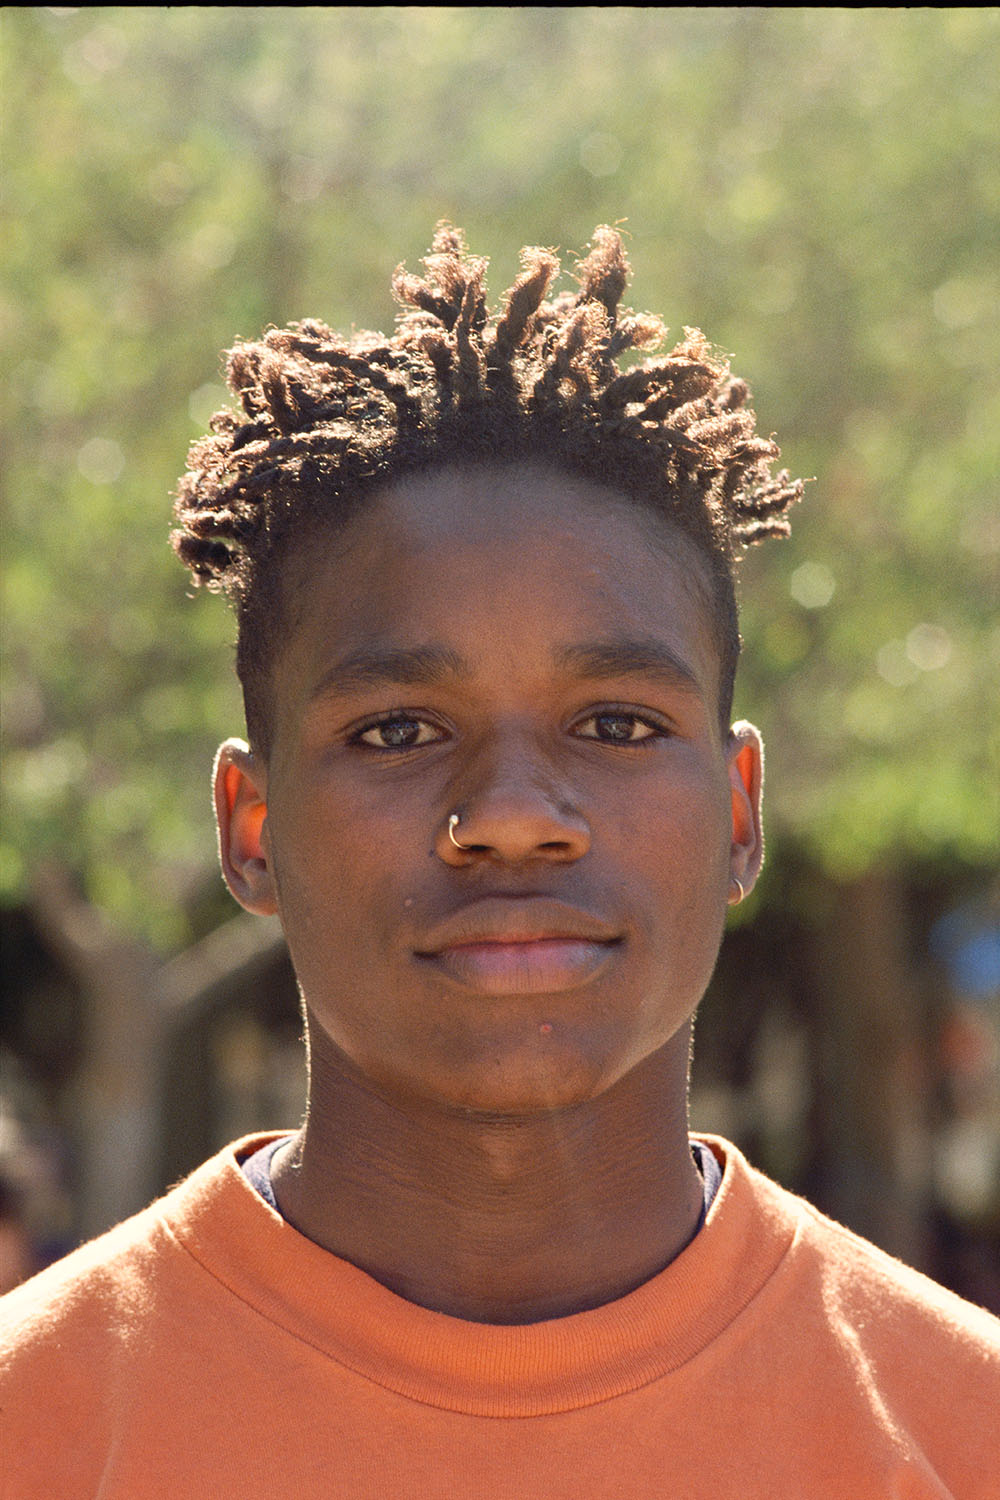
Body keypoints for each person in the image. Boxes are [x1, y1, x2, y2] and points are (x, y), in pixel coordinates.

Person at [2, 224, 997, 1497]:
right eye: (399, 731)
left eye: (616, 725)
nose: (514, 815)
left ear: (739, 811)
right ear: (252, 830)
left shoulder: (960, 1431)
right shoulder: (36, 1425)